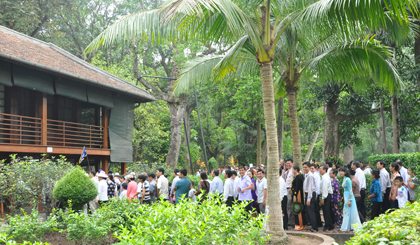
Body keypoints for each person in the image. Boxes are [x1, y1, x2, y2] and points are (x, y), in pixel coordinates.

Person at [339, 167, 361, 233]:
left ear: (345, 172)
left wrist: (349, 200)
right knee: (346, 212)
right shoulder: (344, 179)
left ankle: (345, 228)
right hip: (346, 197)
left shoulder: (348, 179)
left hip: (349, 198)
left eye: (342, 171)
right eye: (340, 171)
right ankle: (346, 227)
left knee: (347, 212)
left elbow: (350, 191)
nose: (340, 173)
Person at [303, 162, 318, 232]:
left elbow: (310, 188)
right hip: (307, 194)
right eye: (303, 167)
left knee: (311, 211)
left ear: (309, 168)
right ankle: (313, 226)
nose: (304, 168)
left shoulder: (310, 176)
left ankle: (314, 227)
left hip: (310, 194)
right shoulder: (306, 175)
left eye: (306, 167)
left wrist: (308, 199)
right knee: (309, 212)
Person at [320, 165, 334, 232]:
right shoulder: (324, 177)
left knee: (326, 211)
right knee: (328, 211)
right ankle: (330, 225)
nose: (320, 170)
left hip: (326, 196)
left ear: (325, 170)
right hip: (327, 195)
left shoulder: (325, 178)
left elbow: (324, 189)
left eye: (321, 169)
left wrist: (323, 198)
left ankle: (327, 225)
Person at [291, 165, 306, 231]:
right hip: (296, 193)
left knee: (298, 208)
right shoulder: (297, 177)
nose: (292, 171)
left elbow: (297, 187)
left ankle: (300, 224)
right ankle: (301, 224)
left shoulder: (298, 177)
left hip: (298, 194)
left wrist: (295, 195)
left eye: (292, 169)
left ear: (295, 170)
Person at [284, 159, 295, 227]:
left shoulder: (293, 171)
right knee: (287, 205)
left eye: (289, 163)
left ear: (292, 164)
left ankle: (292, 221)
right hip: (286, 189)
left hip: (290, 189)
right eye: (287, 163)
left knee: (290, 205)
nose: (288, 164)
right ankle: (289, 220)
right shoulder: (286, 172)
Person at [311, 164, 322, 229]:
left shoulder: (316, 175)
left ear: (315, 169)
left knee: (316, 209)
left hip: (315, 194)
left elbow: (317, 185)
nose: (311, 170)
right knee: (315, 209)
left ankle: (318, 223)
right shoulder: (311, 175)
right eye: (311, 168)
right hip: (313, 194)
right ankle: (318, 223)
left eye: (313, 168)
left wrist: (317, 195)